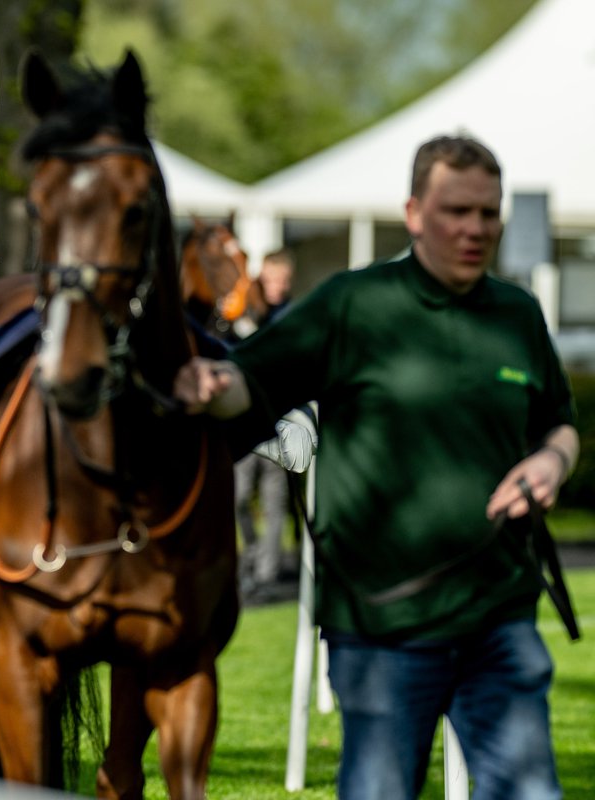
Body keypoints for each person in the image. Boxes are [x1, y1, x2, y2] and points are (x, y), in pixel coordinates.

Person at [176, 135, 578, 800]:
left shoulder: (518, 315)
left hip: (499, 616)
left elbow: (559, 423)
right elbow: (252, 382)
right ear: (414, 212)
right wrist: (211, 385)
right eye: (456, 211)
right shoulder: (351, 305)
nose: (475, 228)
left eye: (488, 212)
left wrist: (550, 462)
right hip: (383, 627)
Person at [233, 250, 298, 595]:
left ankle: (267, 574)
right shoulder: (243, 315)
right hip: (245, 424)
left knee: (275, 502)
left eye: (283, 281)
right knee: (239, 496)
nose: (277, 287)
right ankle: (253, 554)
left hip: (279, 424)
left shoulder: (292, 319)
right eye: (271, 279)